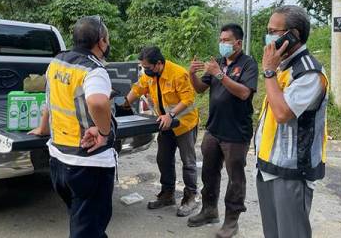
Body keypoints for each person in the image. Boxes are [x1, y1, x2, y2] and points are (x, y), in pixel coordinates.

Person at [28, 16, 116, 238]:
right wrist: (104, 132)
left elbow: (50, 99)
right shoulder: (94, 70)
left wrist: (43, 129)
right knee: (87, 229)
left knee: (86, 223)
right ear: (101, 41)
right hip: (88, 164)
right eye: (106, 39)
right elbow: (97, 102)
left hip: (59, 161)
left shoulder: (57, 62)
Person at [254, 5, 329, 238]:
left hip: (291, 172)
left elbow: (282, 113)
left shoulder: (309, 73)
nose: (268, 37)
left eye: (274, 32)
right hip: (268, 166)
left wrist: (268, 72)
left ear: (293, 35)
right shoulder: (282, 67)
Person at [187, 24, 258, 238]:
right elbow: (200, 88)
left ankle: (231, 221)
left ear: (238, 42)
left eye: (226, 40)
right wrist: (192, 74)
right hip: (213, 129)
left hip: (236, 133)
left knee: (235, 178)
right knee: (208, 172)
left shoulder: (248, 64)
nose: (222, 44)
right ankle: (209, 210)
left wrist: (219, 75)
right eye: (221, 40)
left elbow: (244, 93)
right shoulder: (217, 63)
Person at [123, 46, 200, 217]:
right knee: (163, 159)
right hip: (165, 124)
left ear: (158, 64)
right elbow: (137, 89)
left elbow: (188, 99)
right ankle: (167, 194)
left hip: (184, 124)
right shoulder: (149, 75)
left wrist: (170, 115)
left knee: (188, 162)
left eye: (147, 68)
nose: (145, 71)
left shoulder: (178, 74)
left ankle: (190, 198)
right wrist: (124, 105)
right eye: (143, 67)